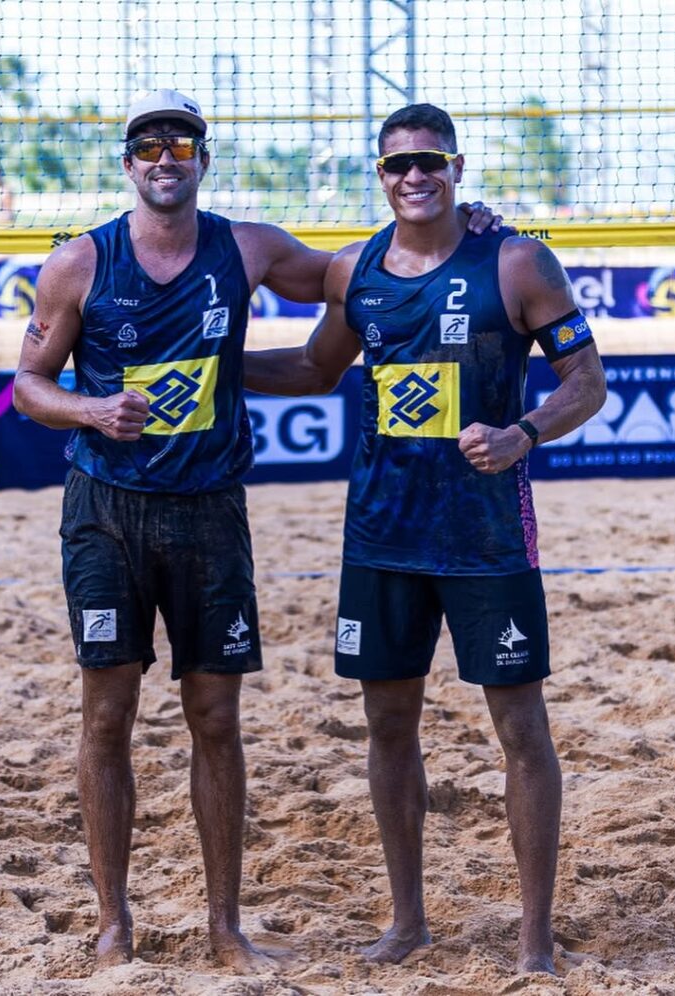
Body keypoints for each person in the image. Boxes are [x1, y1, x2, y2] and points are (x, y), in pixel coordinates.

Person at [12, 88, 502, 973]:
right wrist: (90, 407)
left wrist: (461, 229)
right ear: (128, 164)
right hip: (105, 512)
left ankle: (224, 925)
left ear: (204, 158)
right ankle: (113, 921)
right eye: (149, 145)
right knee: (107, 714)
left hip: (210, 512)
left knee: (215, 717)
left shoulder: (247, 247)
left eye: (183, 143)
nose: (167, 157)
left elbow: (367, 273)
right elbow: (26, 388)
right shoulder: (81, 263)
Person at [244, 103, 607, 975]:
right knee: (387, 724)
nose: (415, 176)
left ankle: (533, 943)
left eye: (430, 161)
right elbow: (314, 368)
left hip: (486, 538)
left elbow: (586, 380)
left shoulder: (514, 259)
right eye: (398, 165)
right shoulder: (356, 271)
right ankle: (408, 922)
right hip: (382, 535)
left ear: (456, 166)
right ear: (379, 173)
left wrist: (524, 432)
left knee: (520, 728)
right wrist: (219, 372)